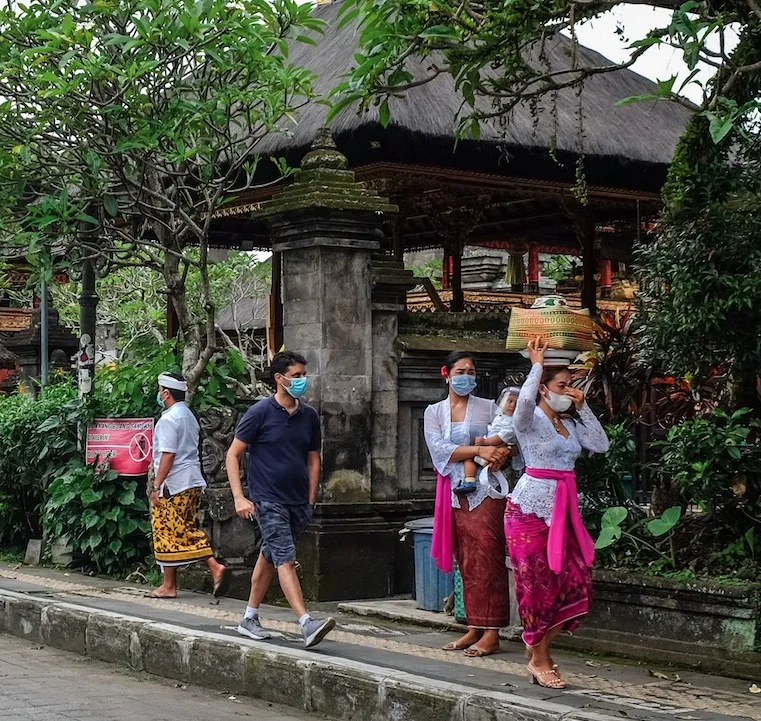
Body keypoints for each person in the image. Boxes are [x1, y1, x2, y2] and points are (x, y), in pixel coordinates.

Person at [506, 337, 609, 689]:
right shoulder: (529, 420)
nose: (569, 390)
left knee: (575, 579)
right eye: (562, 385)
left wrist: (582, 406)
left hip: (564, 509)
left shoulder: (570, 423)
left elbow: (601, 444)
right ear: (544, 389)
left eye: (571, 384)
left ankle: (538, 648)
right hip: (528, 510)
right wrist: (536, 365)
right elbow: (521, 406)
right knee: (537, 585)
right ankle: (539, 657)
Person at [225, 351, 335, 649]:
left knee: (270, 555)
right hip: (267, 499)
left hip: (298, 501)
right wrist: (240, 497)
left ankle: (249, 617)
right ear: (279, 378)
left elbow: (314, 459)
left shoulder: (308, 416)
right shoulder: (260, 413)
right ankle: (306, 622)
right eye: (296, 376)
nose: (301, 381)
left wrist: (311, 498)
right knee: (285, 557)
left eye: (303, 375)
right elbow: (233, 454)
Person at [425, 351, 511, 657]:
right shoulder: (434, 412)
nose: (467, 376)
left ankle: (492, 631)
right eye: (461, 370)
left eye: (472, 371)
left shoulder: (490, 407)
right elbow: (439, 450)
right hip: (453, 492)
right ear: (446, 373)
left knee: (488, 556)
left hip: (486, 490)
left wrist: (498, 453)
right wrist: (478, 451)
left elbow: (505, 438)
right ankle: (474, 626)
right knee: (466, 560)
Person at [146, 372, 230, 599]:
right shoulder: (188, 416)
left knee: (175, 530)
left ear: (166, 393)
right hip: (192, 480)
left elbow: (168, 455)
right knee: (171, 530)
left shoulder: (168, 420)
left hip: (175, 482)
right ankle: (168, 584)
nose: (159, 394)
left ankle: (214, 567)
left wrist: (156, 485)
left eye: (160, 390)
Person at [459, 386, 521, 495]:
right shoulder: (499, 417)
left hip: (498, 447)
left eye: (517, 403)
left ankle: (483, 466)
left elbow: (501, 437)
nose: (512, 405)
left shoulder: (513, 423)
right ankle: (469, 481)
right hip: (488, 447)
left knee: (470, 458)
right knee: (468, 459)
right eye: (509, 401)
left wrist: (485, 442)